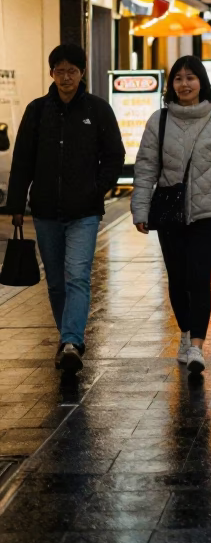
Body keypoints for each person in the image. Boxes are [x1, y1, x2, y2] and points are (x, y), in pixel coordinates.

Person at [7, 43, 125, 374]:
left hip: (84, 213)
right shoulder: (37, 110)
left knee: (77, 276)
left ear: (82, 72)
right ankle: (67, 338)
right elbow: (23, 161)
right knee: (56, 282)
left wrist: (97, 189)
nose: (65, 77)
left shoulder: (98, 110)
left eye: (72, 70)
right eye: (59, 70)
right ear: (51, 74)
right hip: (44, 211)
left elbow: (115, 154)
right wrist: (16, 204)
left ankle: (72, 340)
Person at [132, 56, 211, 375]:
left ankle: (197, 345)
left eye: (191, 78)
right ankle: (184, 333)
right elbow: (145, 169)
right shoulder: (159, 120)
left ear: (202, 83)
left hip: (208, 215)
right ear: (172, 86)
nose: (184, 84)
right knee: (178, 279)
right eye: (178, 79)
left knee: (198, 277)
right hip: (170, 214)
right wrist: (140, 208)